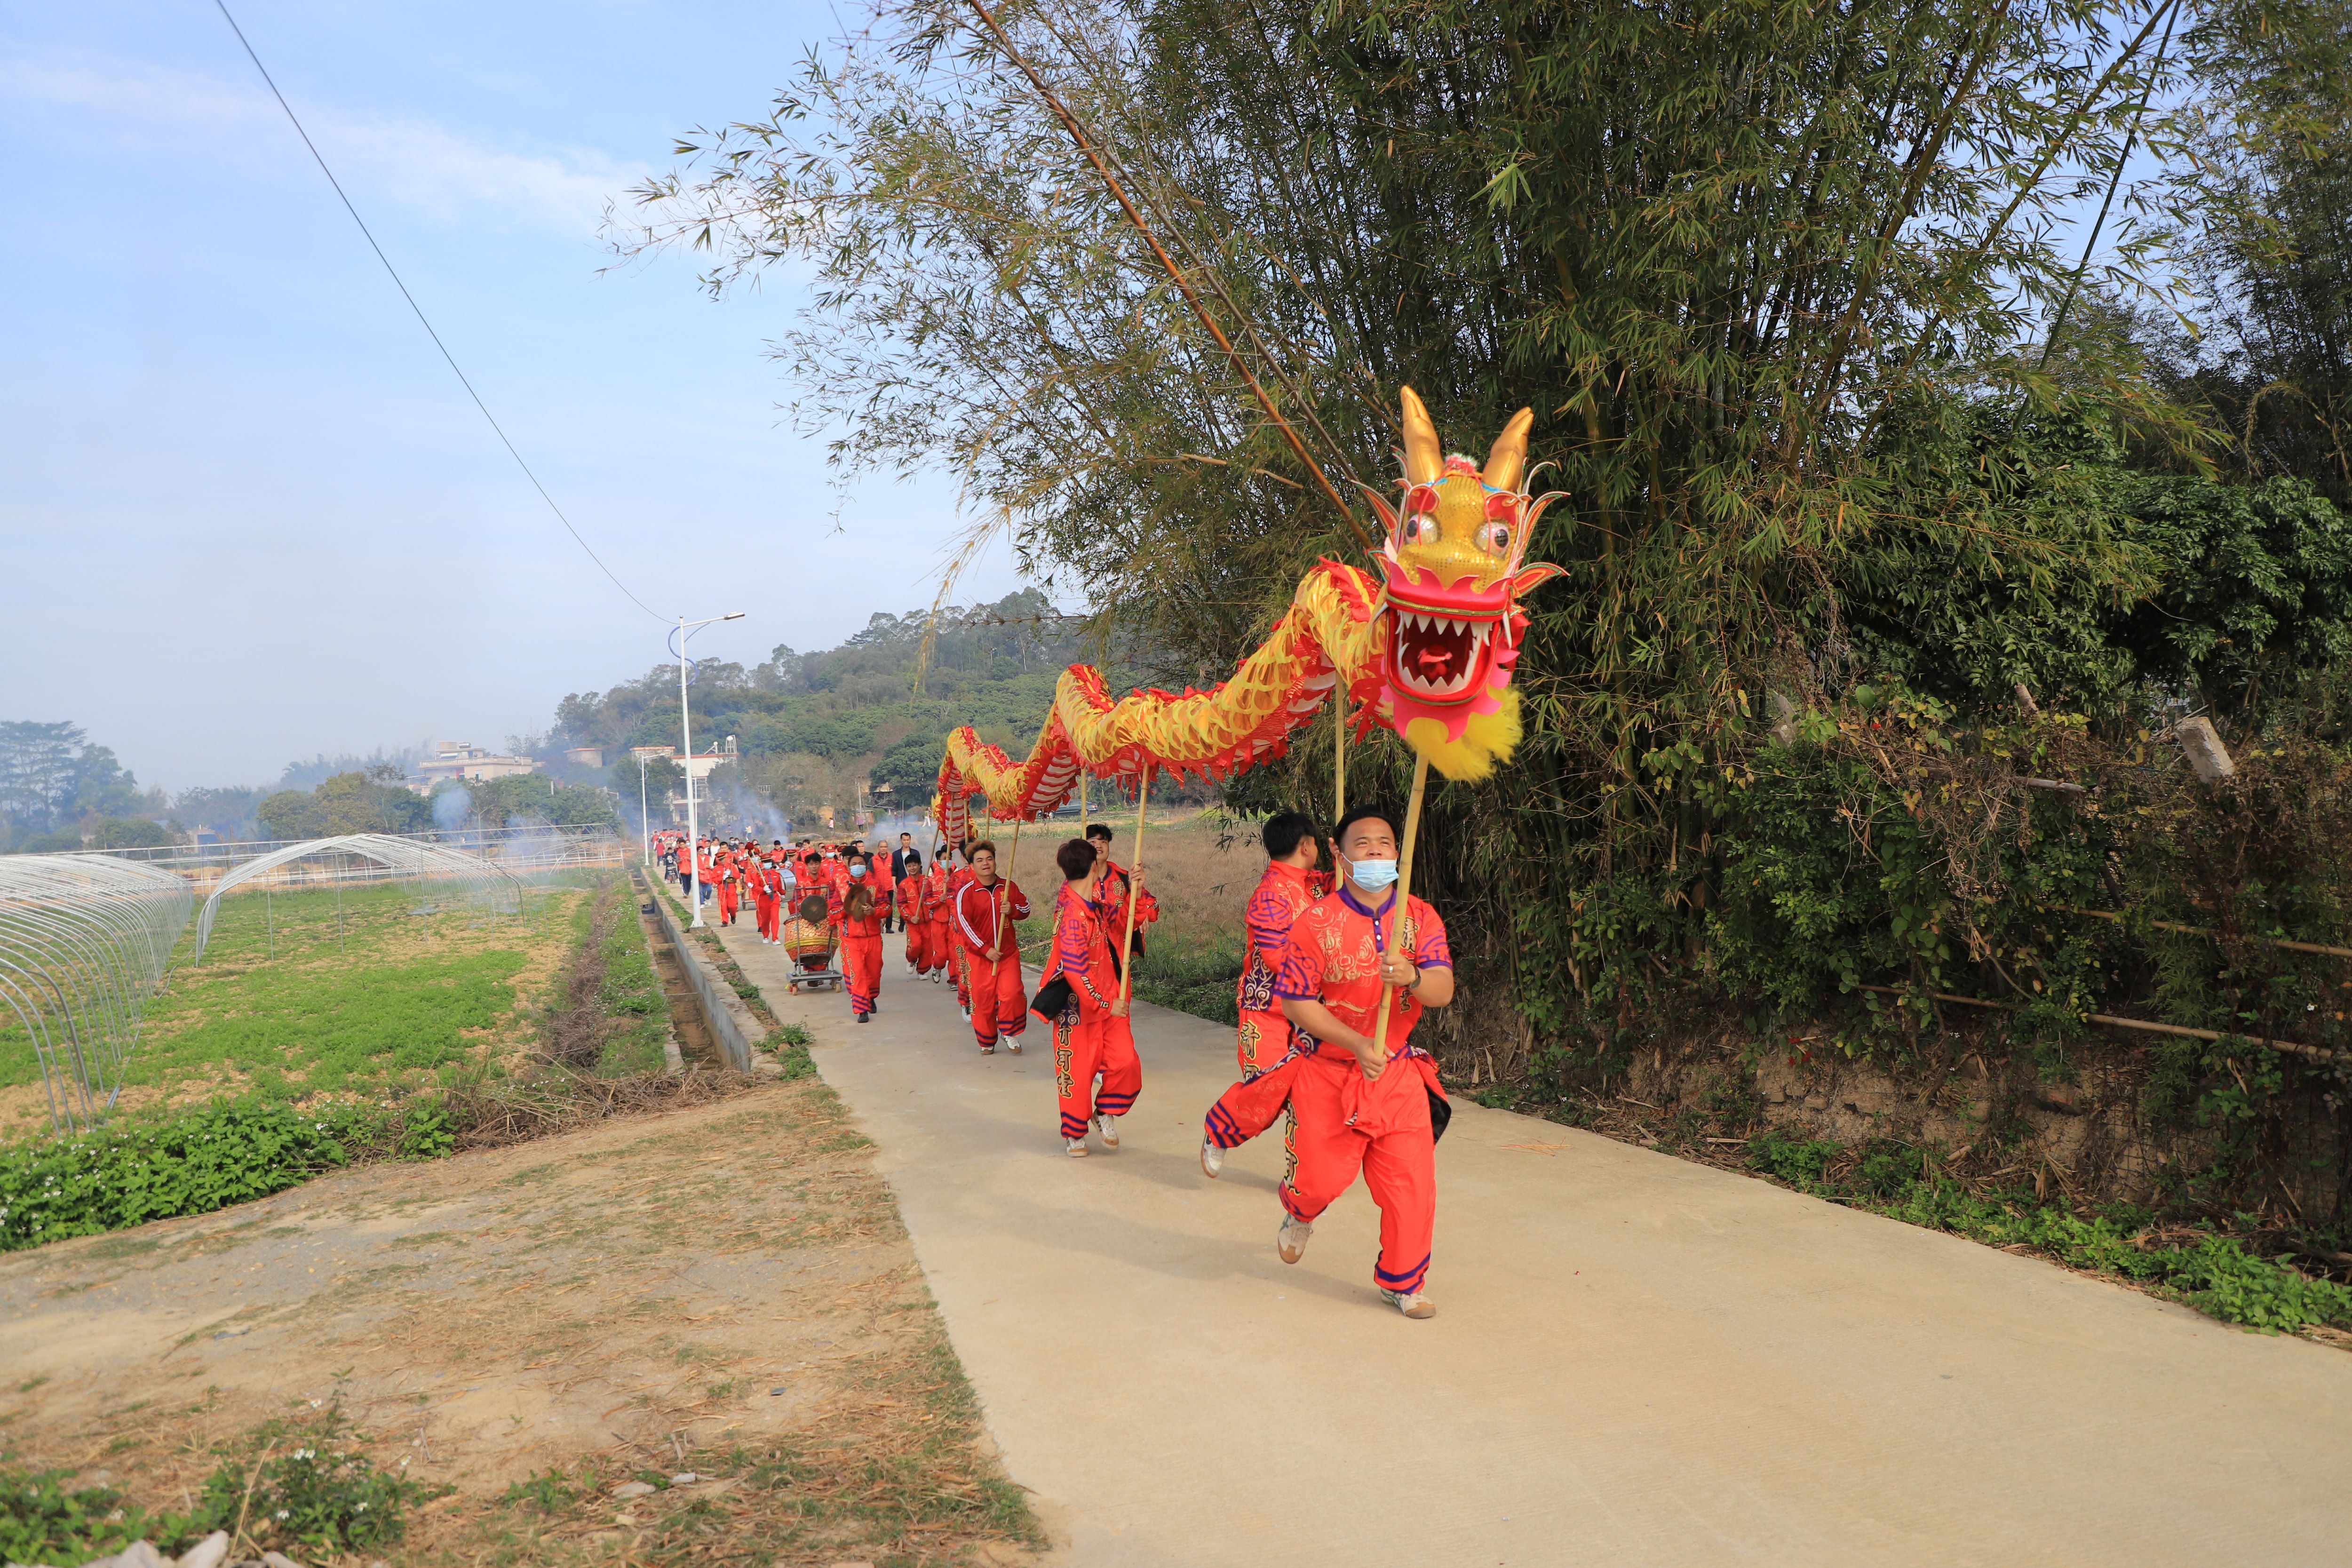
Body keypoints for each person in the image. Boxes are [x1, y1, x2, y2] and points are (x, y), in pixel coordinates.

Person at [1267, 805, 1455, 1320]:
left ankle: (1403, 1282)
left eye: (1384, 843)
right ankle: (1299, 1211)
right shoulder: (1315, 922)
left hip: (1397, 1075)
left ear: (1398, 852)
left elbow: (1442, 990)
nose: (1375, 852)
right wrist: (1354, 1043)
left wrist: (1414, 977)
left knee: (1411, 1187)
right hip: (1327, 1071)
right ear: (1339, 852)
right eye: (1363, 844)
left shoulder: (1419, 917)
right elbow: (1296, 1003)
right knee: (1320, 1180)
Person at [1200, 811, 1329, 1174]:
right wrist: (1330, 966)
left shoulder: (1317, 884)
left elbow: (1351, 893)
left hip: (1312, 1010)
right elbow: (1275, 957)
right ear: (1306, 846)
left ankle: (1305, 1176)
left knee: (1312, 1097)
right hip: (1267, 1008)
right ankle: (1219, 1130)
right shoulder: (1270, 894)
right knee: (1267, 1091)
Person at [1041, 837, 1143, 1155]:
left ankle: (1105, 1112)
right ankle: (1075, 1133)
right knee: (1077, 1072)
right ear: (1094, 868)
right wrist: (1105, 1003)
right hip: (1077, 1007)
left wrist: (1135, 889)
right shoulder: (1072, 913)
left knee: (1126, 1063)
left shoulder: (1092, 898)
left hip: (1111, 999)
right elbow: (1075, 970)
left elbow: (1122, 922)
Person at [952, 839, 1031, 1054]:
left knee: (1012, 994)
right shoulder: (967, 892)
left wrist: (1013, 910)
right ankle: (987, 1040)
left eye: (989, 859)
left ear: (995, 861)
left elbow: (1026, 908)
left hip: (1007, 955)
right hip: (980, 957)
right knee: (983, 1001)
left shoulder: (1008, 887)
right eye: (980, 860)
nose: (985, 863)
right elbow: (963, 924)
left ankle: (1009, 1031)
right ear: (972, 865)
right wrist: (985, 949)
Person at [1085, 823, 1158, 959]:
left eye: (1104, 842)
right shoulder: (1077, 881)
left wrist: (1142, 914)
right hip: (1087, 956)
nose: (1098, 846)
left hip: (1119, 956)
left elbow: (1152, 905)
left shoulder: (1125, 878)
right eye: (1093, 842)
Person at [840, 853, 885, 1022]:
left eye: (861, 863)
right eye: (854, 864)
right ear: (848, 866)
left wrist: (875, 911)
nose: (857, 866)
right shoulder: (840, 885)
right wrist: (848, 908)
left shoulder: (876, 884)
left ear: (866, 866)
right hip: (851, 937)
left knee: (874, 972)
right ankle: (862, 1010)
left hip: (873, 935)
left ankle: (871, 997)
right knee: (858, 974)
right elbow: (832, 910)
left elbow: (887, 907)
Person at [897, 851, 931, 975]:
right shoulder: (903, 885)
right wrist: (910, 917)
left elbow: (931, 898)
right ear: (906, 868)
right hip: (913, 923)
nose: (912, 868)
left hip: (928, 922)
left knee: (928, 948)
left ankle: (922, 971)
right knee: (915, 945)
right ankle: (912, 960)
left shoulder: (927, 881)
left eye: (914, 865)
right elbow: (901, 905)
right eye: (909, 866)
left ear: (920, 865)